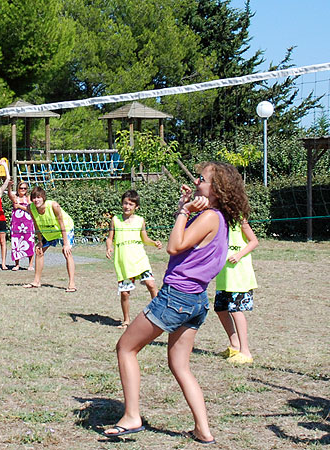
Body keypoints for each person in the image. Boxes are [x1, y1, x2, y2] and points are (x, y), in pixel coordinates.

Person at [104, 162, 250, 445]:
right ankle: (203, 430)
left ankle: (132, 417)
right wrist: (185, 208)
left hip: (177, 297)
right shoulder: (216, 217)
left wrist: (185, 211)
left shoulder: (209, 217)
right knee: (179, 365)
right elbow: (184, 239)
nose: (197, 181)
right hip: (196, 300)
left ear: (217, 190)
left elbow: (174, 246)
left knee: (125, 347)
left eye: (203, 179)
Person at [105, 190, 161, 328]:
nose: (127, 206)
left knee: (151, 285)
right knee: (125, 293)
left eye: (131, 204)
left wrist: (154, 243)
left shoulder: (140, 220)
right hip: (123, 261)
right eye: (125, 203)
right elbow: (110, 238)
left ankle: (159, 313)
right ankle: (126, 320)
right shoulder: (115, 220)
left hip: (139, 259)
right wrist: (109, 247)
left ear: (136, 207)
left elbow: (145, 239)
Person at [212, 218, 259, 365]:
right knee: (220, 309)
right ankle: (235, 346)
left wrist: (238, 255)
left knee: (236, 310)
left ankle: (246, 352)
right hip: (224, 275)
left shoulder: (240, 220)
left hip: (239, 275)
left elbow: (254, 241)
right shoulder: (217, 220)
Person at [23, 186, 76, 292]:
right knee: (39, 251)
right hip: (48, 231)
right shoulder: (30, 208)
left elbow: (61, 223)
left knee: (66, 252)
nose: (36, 200)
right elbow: (36, 224)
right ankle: (36, 281)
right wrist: (39, 241)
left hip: (64, 229)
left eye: (38, 197)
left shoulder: (54, 206)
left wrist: (66, 244)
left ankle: (72, 284)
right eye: (34, 198)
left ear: (43, 197)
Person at [8, 180, 36, 271]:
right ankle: (17, 264)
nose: (23, 190)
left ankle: (30, 264)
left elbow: (30, 209)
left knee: (29, 242)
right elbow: (9, 195)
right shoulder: (15, 198)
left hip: (27, 223)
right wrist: (9, 186)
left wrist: (19, 206)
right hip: (17, 223)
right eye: (21, 188)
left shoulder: (28, 198)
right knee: (16, 243)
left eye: (25, 188)